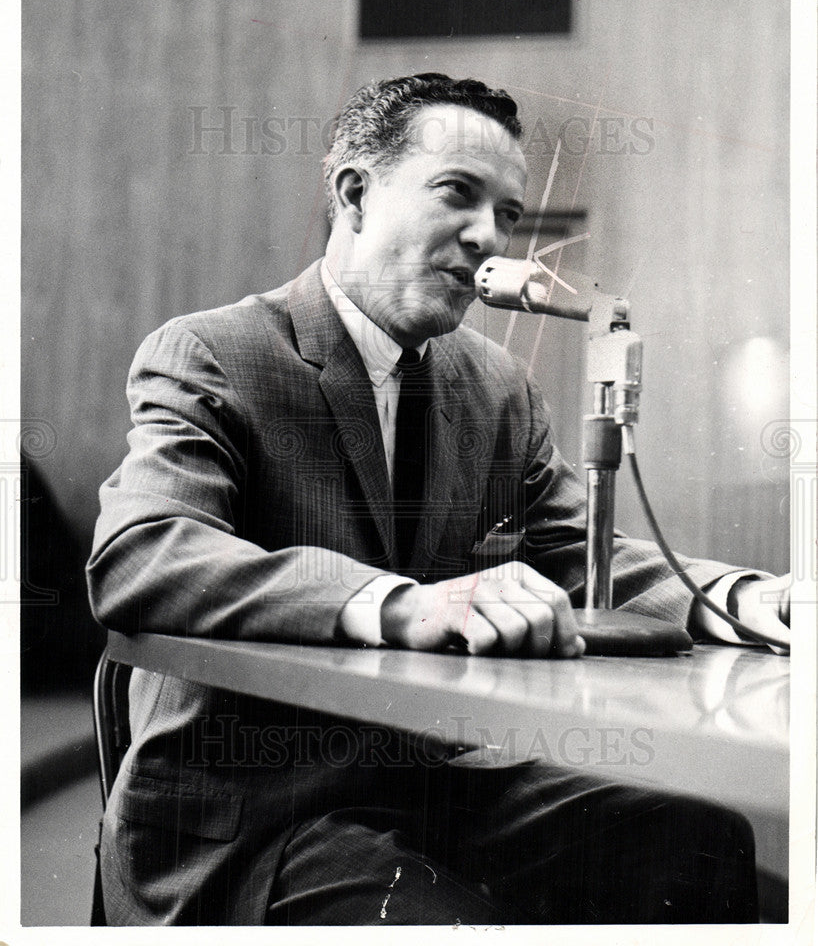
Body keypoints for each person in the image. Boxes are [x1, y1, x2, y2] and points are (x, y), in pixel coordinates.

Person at [87, 72, 789, 926]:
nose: (487, 236)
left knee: (694, 834)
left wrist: (752, 599)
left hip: (432, 789)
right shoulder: (212, 353)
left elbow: (582, 552)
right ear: (353, 195)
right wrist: (394, 604)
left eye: (507, 215)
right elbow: (141, 553)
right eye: (458, 193)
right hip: (249, 820)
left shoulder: (495, 387)